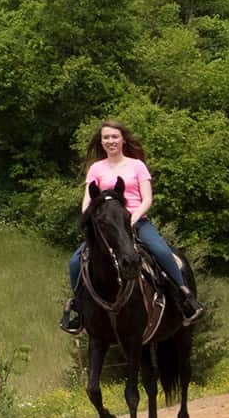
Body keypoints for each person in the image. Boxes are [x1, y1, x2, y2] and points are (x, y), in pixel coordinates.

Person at [59, 121, 202, 335]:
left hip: (136, 220)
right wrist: (93, 221)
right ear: (101, 141)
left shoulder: (137, 166)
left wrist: (132, 218)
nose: (110, 141)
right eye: (106, 137)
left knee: (163, 252)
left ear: (123, 139)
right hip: (107, 228)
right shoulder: (96, 169)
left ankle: (185, 298)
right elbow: (87, 201)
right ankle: (80, 311)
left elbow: (147, 198)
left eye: (114, 137)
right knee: (74, 263)